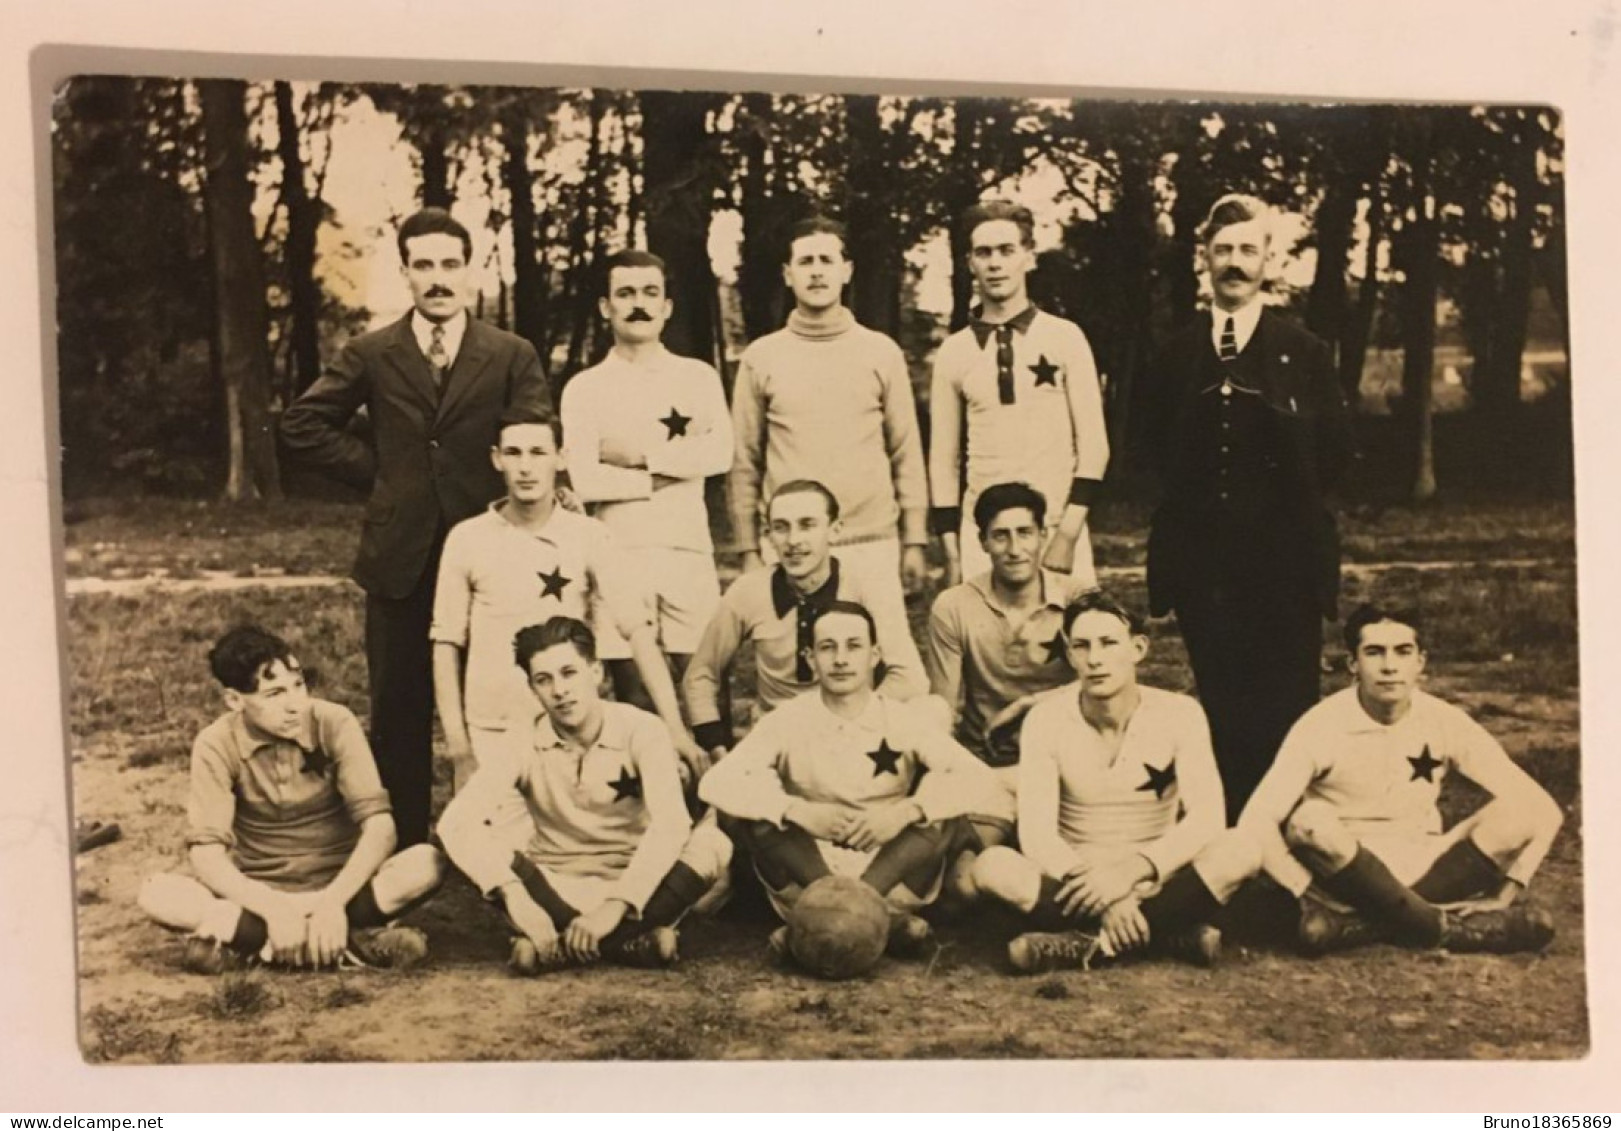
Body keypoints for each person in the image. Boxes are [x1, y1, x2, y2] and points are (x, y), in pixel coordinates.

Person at [279, 207, 553, 846]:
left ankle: (509, 841)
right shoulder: (372, 352)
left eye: (449, 265)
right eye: (423, 265)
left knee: (500, 702)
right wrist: (380, 476)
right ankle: (403, 848)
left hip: (487, 553)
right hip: (400, 557)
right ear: (404, 272)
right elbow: (300, 426)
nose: (437, 278)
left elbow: (533, 433)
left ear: (470, 271)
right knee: (399, 710)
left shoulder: (511, 354)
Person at [1135, 193, 1355, 823]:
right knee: (1222, 702)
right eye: (1223, 249)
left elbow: (1336, 450)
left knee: (1287, 704)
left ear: (1270, 261)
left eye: (1247, 250)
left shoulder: (1304, 351)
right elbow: (1152, 444)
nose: (1234, 262)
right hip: (1205, 566)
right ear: (1204, 258)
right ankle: (1229, 842)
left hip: (1284, 563)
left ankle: (1286, 838)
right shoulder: (1176, 353)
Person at [431, 411, 710, 829]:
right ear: (496, 459)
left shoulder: (588, 534)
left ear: (560, 458)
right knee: (504, 857)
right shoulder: (468, 538)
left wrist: (675, 728)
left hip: (569, 730)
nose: (526, 466)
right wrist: (459, 750)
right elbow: (446, 644)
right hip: (495, 729)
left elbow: (637, 632)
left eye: (538, 452)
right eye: (514, 453)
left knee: (610, 842)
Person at [1236, 603, 1561, 955]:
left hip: (1426, 863)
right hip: (1346, 874)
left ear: (1420, 662)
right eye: (1374, 653)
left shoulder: (1443, 719)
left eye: (1402, 652)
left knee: (1522, 810)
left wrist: (1506, 893)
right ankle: (1453, 930)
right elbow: (1256, 819)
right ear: (1353, 664)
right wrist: (1303, 893)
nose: (1389, 667)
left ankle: (1355, 927)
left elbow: (1543, 809)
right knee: (1309, 821)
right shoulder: (1320, 725)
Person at [969, 592, 1254, 972]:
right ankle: (1166, 934)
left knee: (1243, 849)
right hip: (1076, 883)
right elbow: (1038, 836)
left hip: (1157, 877)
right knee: (992, 866)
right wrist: (1106, 897)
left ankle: (1088, 943)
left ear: (1137, 648)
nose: (1095, 659)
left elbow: (1207, 818)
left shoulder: (1181, 713)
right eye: (1082, 646)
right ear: (1069, 655)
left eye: (1108, 643)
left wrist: (1129, 873)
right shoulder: (1045, 720)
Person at [699, 600, 1000, 958]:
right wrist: (795, 810)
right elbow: (714, 783)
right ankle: (881, 925)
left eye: (853, 646)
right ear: (811, 659)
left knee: (944, 810)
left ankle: (826, 925)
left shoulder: (901, 718)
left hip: (889, 871)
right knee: (747, 808)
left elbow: (980, 780)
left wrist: (904, 813)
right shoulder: (789, 718)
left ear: (874, 656)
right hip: (808, 873)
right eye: (828, 648)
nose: (841, 659)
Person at [138, 626, 445, 974]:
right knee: (155, 893)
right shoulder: (215, 743)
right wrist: (274, 909)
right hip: (260, 895)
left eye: (299, 685)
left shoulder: (333, 721)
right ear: (235, 700)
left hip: (341, 887)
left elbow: (381, 828)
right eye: (274, 694)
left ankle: (253, 946)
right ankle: (349, 943)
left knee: (426, 863)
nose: (295, 705)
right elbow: (206, 855)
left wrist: (331, 904)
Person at [437, 618, 732, 973]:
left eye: (569, 673)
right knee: (492, 845)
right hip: (556, 884)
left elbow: (670, 825)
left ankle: (563, 943)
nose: (559, 690)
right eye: (543, 680)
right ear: (532, 689)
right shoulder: (522, 738)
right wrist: (516, 897)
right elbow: (455, 823)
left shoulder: (642, 729)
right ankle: (632, 943)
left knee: (713, 844)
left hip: (636, 881)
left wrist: (616, 904)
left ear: (596, 672)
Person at [728, 215, 929, 639]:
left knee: (877, 668)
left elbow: (906, 452)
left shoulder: (881, 353)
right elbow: (744, 462)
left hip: (871, 542)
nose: (816, 270)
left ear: (846, 270)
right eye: (804, 261)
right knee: (793, 671)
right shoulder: (761, 357)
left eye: (826, 259)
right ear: (788, 274)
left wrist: (914, 541)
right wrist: (749, 550)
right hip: (790, 546)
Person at [561, 250, 733, 707]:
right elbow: (584, 480)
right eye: (626, 293)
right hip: (619, 551)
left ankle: (712, 780)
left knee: (705, 686)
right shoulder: (584, 388)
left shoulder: (698, 377)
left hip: (687, 549)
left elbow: (720, 453)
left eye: (650, 293)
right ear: (605, 307)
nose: (639, 304)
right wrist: (660, 479)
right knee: (634, 696)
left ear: (667, 307)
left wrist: (640, 457)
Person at [928, 200, 1109, 589]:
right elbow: (943, 461)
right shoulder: (954, 351)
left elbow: (1095, 447)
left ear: (1028, 257)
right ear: (969, 263)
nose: (995, 263)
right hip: (984, 535)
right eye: (983, 253)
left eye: (1007, 251)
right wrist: (953, 553)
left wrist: (1066, 537)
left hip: (1056, 530)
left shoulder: (1065, 337)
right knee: (989, 645)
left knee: (1069, 643)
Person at [683, 479, 926, 760]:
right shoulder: (748, 591)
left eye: (807, 525)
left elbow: (909, 678)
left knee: (932, 710)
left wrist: (851, 723)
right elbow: (700, 675)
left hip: (854, 732)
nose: (793, 541)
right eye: (781, 527)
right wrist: (716, 748)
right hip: (779, 740)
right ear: (768, 535)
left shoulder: (869, 584)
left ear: (834, 531)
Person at [923, 481, 1090, 858]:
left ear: (1043, 535)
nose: (1015, 550)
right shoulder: (955, 606)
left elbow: (1107, 688)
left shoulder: (1078, 598)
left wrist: (1031, 703)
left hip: (1062, 765)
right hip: (987, 764)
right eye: (1000, 536)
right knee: (963, 877)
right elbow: (942, 711)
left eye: (1025, 534)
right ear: (982, 542)